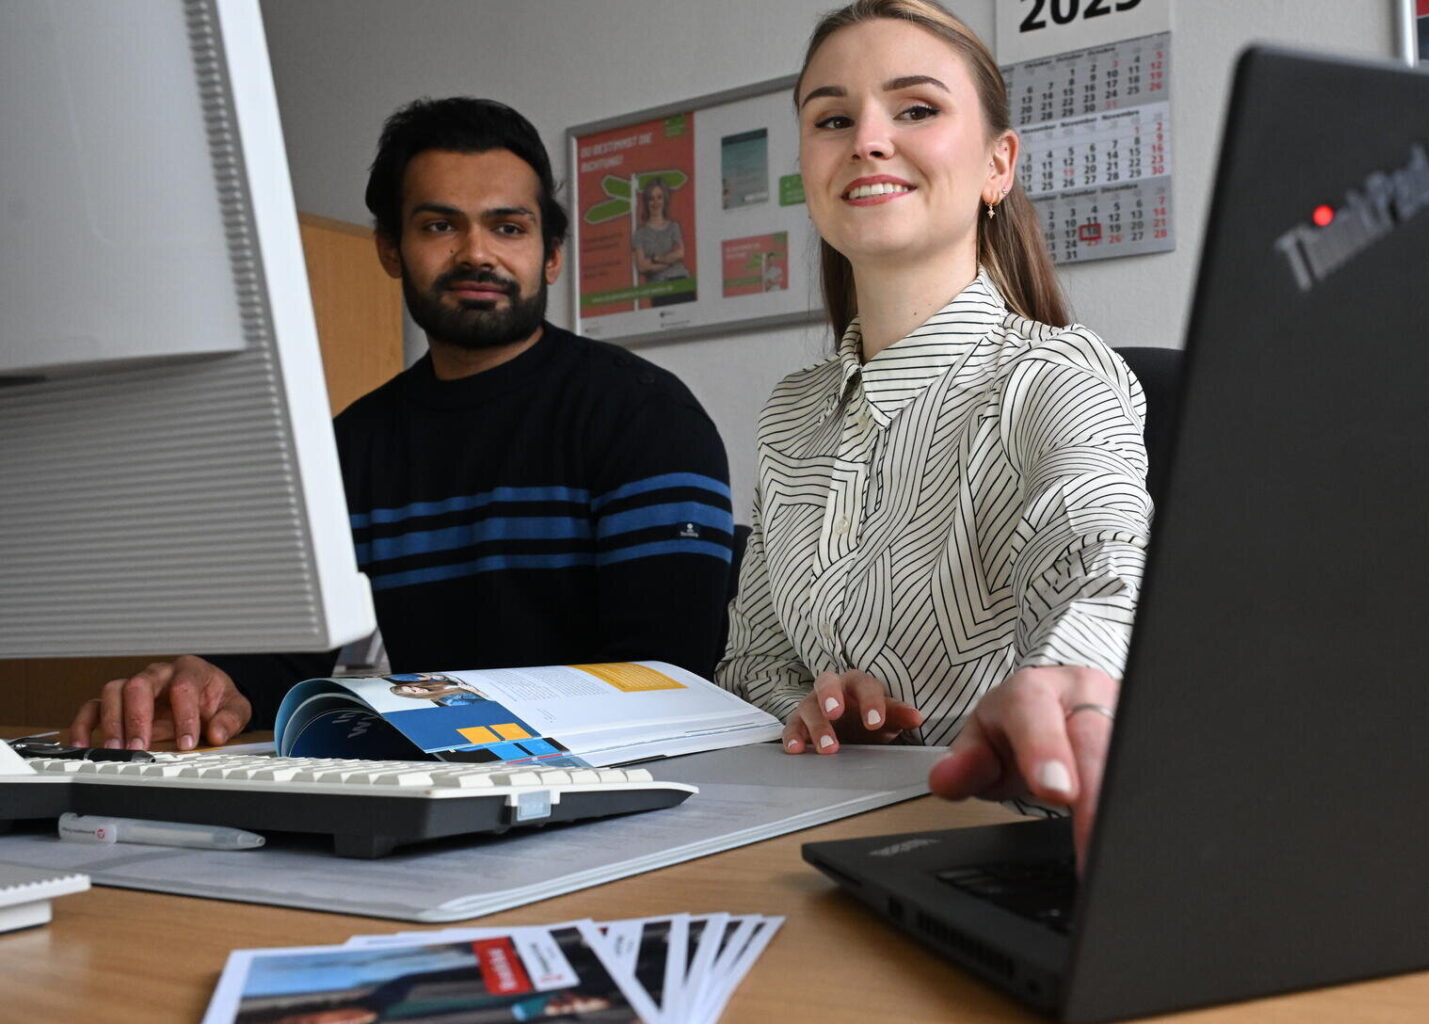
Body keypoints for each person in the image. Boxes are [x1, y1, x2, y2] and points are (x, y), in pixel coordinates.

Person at [69, 97, 734, 753]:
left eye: (508, 227)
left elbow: (663, 684)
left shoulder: (646, 417)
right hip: (439, 789)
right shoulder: (346, 450)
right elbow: (281, 663)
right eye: (440, 226)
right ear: (390, 248)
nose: (478, 254)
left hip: (617, 795)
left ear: (552, 254)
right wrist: (210, 685)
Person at [716, 0, 1150, 862]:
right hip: (820, 846)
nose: (868, 140)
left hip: (1010, 848)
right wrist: (812, 708)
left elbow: (1105, 571)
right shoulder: (792, 413)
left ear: (998, 165)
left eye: (915, 109)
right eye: (833, 119)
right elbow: (751, 666)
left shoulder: (1054, 375)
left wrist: (1071, 690)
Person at [630, 180, 692, 305]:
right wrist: (669, 261)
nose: (655, 202)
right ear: (646, 202)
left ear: (665, 200)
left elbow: (680, 253)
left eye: (659, 197)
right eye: (651, 199)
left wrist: (656, 259)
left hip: (681, 281)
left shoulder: (673, 227)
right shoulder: (640, 234)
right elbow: (642, 266)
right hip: (659, 286)